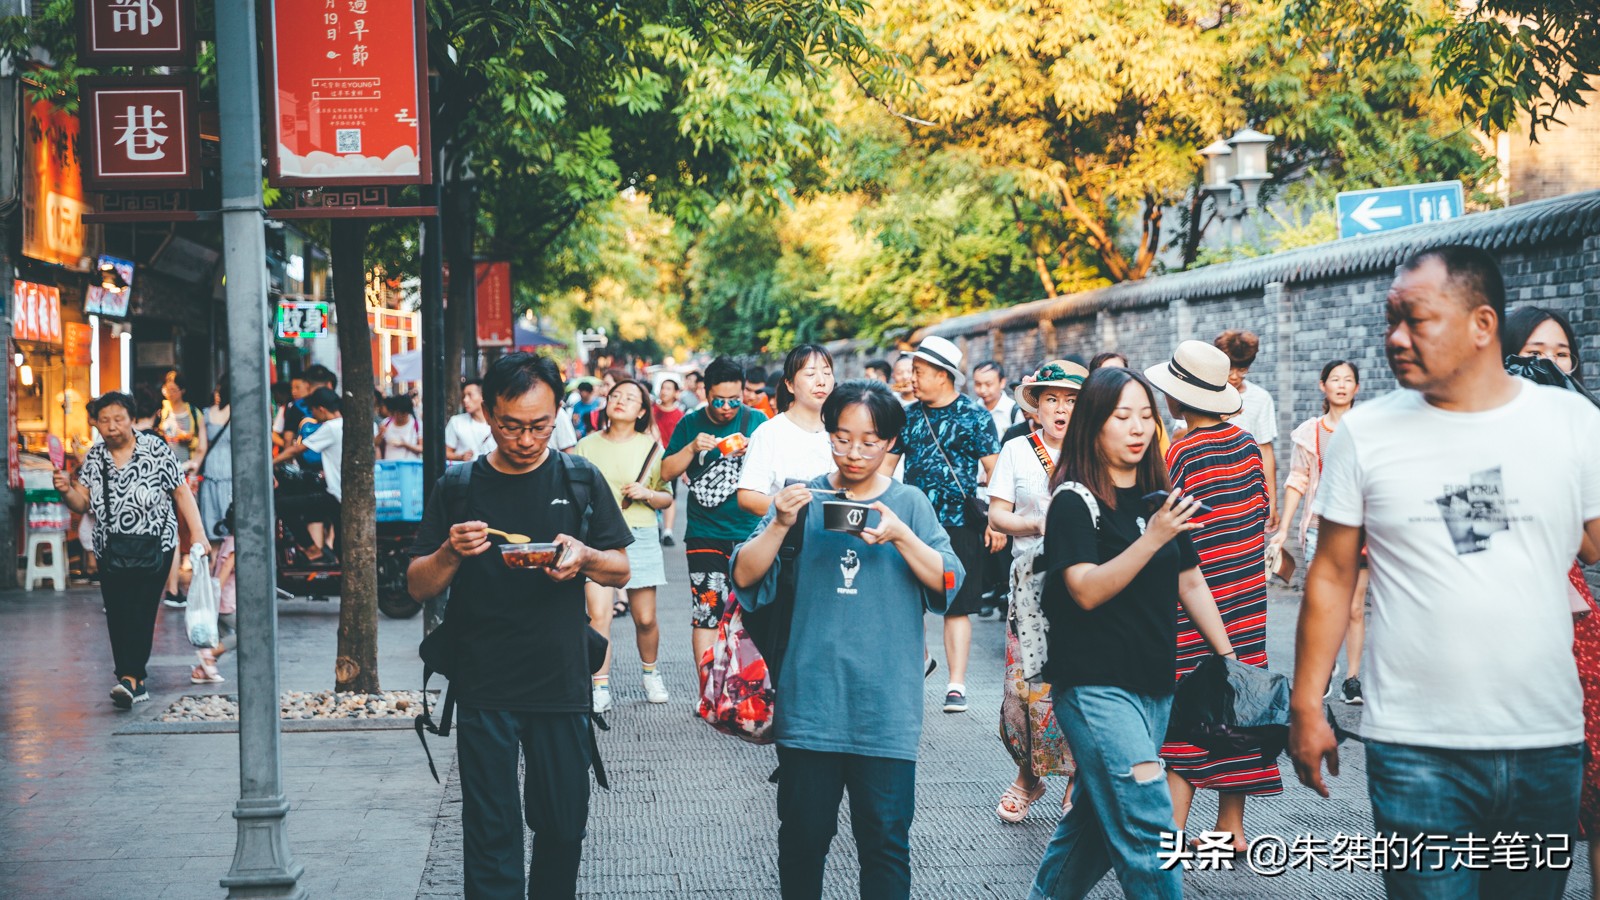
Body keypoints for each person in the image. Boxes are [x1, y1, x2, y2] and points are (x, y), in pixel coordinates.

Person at [1289, 246, 1600, 900]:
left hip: (1543, 738)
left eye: (1417, 320)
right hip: (1413, 744)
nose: (1395, 339)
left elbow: (1595, 547)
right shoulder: (1367, 434)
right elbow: (1331, 574)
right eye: (1390, 320)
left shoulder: (1571, 423)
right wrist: (1305, 703)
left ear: (1483, 325)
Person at [406, 352, 632, 900]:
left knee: (562, 823)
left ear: (557, 413)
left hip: (560, 679)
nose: (526, 438)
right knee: (490, 828)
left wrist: (584, 556)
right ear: (487, 413)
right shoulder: (459, 485)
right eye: (511, 425)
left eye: (539, 425)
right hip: (484, 683)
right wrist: (451, 552)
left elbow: (621, 565)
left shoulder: (579, 478)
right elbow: (418, 584)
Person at [731, 380, 964, 900]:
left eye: (869, 441)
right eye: (841, 438)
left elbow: (950, 581)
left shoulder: (910, 504)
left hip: (886, 712)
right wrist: (779, 522)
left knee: (885, 845)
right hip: (810, 706)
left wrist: (901, 534)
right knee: (802, 842)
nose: (854, 453)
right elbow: (744, 576)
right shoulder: (803, 499)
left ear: (890, 445)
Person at [1027, 367, 1237, 900]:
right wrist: (1153, 538)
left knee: (1096, 824)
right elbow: (1086, 589)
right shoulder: (1073, 502)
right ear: (1095, 424)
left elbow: (1190, 581)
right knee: (1150, 821)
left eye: (1146, 416)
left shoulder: (1160, 497)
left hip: (1154, 687)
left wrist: (1230, 661)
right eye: (1122, 417)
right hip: (1096, 688)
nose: (1138, 428)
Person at [1145, 341, 1282, 851]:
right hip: (1248, 600)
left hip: (1198, 605)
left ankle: (1171, 833)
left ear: (1177, 400)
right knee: (1238, 706)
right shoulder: (1246, 445)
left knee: (1190, 709)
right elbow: (1259, 510)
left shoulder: (1179, 451)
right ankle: (1232, 827)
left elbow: (1167, 527)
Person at [1502, 305, 1600, 896]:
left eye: (1561, 354)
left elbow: (1591, 550)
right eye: (1535, 354)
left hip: (1577, 635)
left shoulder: (1582, 438)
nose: (1550, 366)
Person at [55, 392, 211, 709]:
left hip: (155, 544)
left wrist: (198, 533)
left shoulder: (155, 449)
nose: (112, 426)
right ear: (96, 423)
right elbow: (82, 503)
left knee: (140, 610)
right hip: (111, 548)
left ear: (130, 418)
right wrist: (66, 491)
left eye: (118, 419)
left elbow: (181, 492)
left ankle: (131, 678)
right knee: (118, 613)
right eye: (104, 420)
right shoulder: (95, 457)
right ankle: (131, 679)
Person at [986, 360, 1087, 823]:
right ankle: (1029, 774)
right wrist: (1033, 522)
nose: (1061, 409)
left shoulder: (1097, 453)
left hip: (1087, 585)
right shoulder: (1018, 450)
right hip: (1030, 585)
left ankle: (1076, 777)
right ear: (1037, 406)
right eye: (1051, 399)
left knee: (1080, 685)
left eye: (1070, 400)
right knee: (1024, 690)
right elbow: (997, 517)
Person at [880, 335, 1002, 714]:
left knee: (958, 606)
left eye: (918, 372)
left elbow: (994, 472)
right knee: (907, 603)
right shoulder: (908, 416)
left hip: (961, 526)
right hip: (912, 526)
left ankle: (956, 685)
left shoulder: (975, 416)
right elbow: (885, 467)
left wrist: (994, 522)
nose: (912, 379)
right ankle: (919, 662)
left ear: (942, 375)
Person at [1267, 360, 1366, 705]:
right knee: (1324, 604)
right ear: (1322, 386)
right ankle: (1324, 668)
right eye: (1335, 379)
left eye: (1348, 379)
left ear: (1356, 387)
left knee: (1354, 606)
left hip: (1360, 529)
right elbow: (1298, 479)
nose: (1341, 385)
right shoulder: (1310, 432)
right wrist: (1283, 529)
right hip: (1319, 531)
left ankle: (1352, 679)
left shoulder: (1367, 429)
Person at [575, 377, 674, 712]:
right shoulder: (586, 446)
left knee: (644, 618)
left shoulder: (652, 449)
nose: (620, 401)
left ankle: (651, 673)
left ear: (642, 411)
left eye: (630, 398)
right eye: (616, 395)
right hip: (599, 538)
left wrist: (646, 493)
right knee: (598, 615)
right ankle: (599, 685)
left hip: (641, 534)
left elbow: (666, 498)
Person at [662, 357, 769, 664]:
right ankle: (706, 693)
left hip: (752, 533)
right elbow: (667, 472)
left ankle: (750, 692)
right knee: (707, 613)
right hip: (704, 533)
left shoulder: (758, 421)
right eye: (719, 400)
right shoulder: (690, 424)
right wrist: (693, 448)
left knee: (756, 613)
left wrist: (755, 451)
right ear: (704, 392)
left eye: (734, 400)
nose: (726, 407)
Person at [736, 345, 836, 517]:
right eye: (810, 374)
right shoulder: (770, 432)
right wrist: (789, 507)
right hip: (786, 538)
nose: (822, 381)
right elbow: (747, 497)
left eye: (827, 373)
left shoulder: (842, 430)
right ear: (789, 384)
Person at [1213, 330, 1279, 530]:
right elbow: (1179, 438)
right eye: (1229, 369)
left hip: (1246, 492)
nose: (1234, 376)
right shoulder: (1203, 395)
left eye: (1242, 369)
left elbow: (1265, 451)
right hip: (1209, 487)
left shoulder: (1261, 398)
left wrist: (1273, 502)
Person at [272, 388, 344, 566]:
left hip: (336, 493)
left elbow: (298, 448)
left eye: (312, 410)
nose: (311, 415)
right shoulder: (351, 424)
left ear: (321, 409)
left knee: (282, 505)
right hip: (343, 493)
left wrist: (271, 463)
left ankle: (312, 550)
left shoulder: (331, 427)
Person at [158, 370, 208, 605]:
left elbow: (201, 446)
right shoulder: (160, 413)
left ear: (183, 391)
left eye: (174, 388)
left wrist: (194, 468)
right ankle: (172, 587)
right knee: (170, 528)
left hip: (185, 474)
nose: (170, 391)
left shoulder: (194, 413)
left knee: (185, 525)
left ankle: (178, 584)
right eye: (167, 387)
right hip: (161, 477)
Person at [192, 503, 238, 685]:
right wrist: (215, 592)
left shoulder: (228, 540)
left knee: (221, 639)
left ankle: (202, 670)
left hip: (218, 601)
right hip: (226, 601)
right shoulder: (237, 543)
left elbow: (216, 565)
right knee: (246, 633)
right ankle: (208, 655)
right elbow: (226, 568)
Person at [197, 375, 234, 541]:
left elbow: (201, 448)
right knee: (232, 527)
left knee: (212, 526)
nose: (216, 394)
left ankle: (215, 565)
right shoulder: (241, 414)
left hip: (212, 474)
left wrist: (194, 469)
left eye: (220, 390)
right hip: (230, 473)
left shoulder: (207, 414)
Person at [653, 376, 687, 544]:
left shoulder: (679, 415)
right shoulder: (652, 410)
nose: (664, 391)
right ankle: (656, 525)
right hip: (651, 460)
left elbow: (683, 442)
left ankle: (668, 531)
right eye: (662, 388)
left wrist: (684, 468)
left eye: (668, 388)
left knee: (670, 495)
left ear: (676, 393)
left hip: (670, 460)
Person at [446, 379, 494, 462]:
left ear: (483, 396)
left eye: (470, 395)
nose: (465, 400)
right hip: (466, 473)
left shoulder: (497, 422)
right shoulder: (456, 422)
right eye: (464, 396)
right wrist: (460, 457)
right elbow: (445, 452)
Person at [973, 360, 1018, 438]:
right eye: (978, 384)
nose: (982, 390)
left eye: (988, 384)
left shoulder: (1014, 411)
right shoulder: (972, 409)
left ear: (1002, 382)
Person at [376, 394, 423, 461]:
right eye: (394, 413)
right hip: (389, 466)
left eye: (400, 414)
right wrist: (380, 434)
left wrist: (404, 444)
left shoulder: (417, 425)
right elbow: (376, 444)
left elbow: (421, 448)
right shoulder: (386, 423)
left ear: (406, 413)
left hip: (410, 467)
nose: (396, 416)